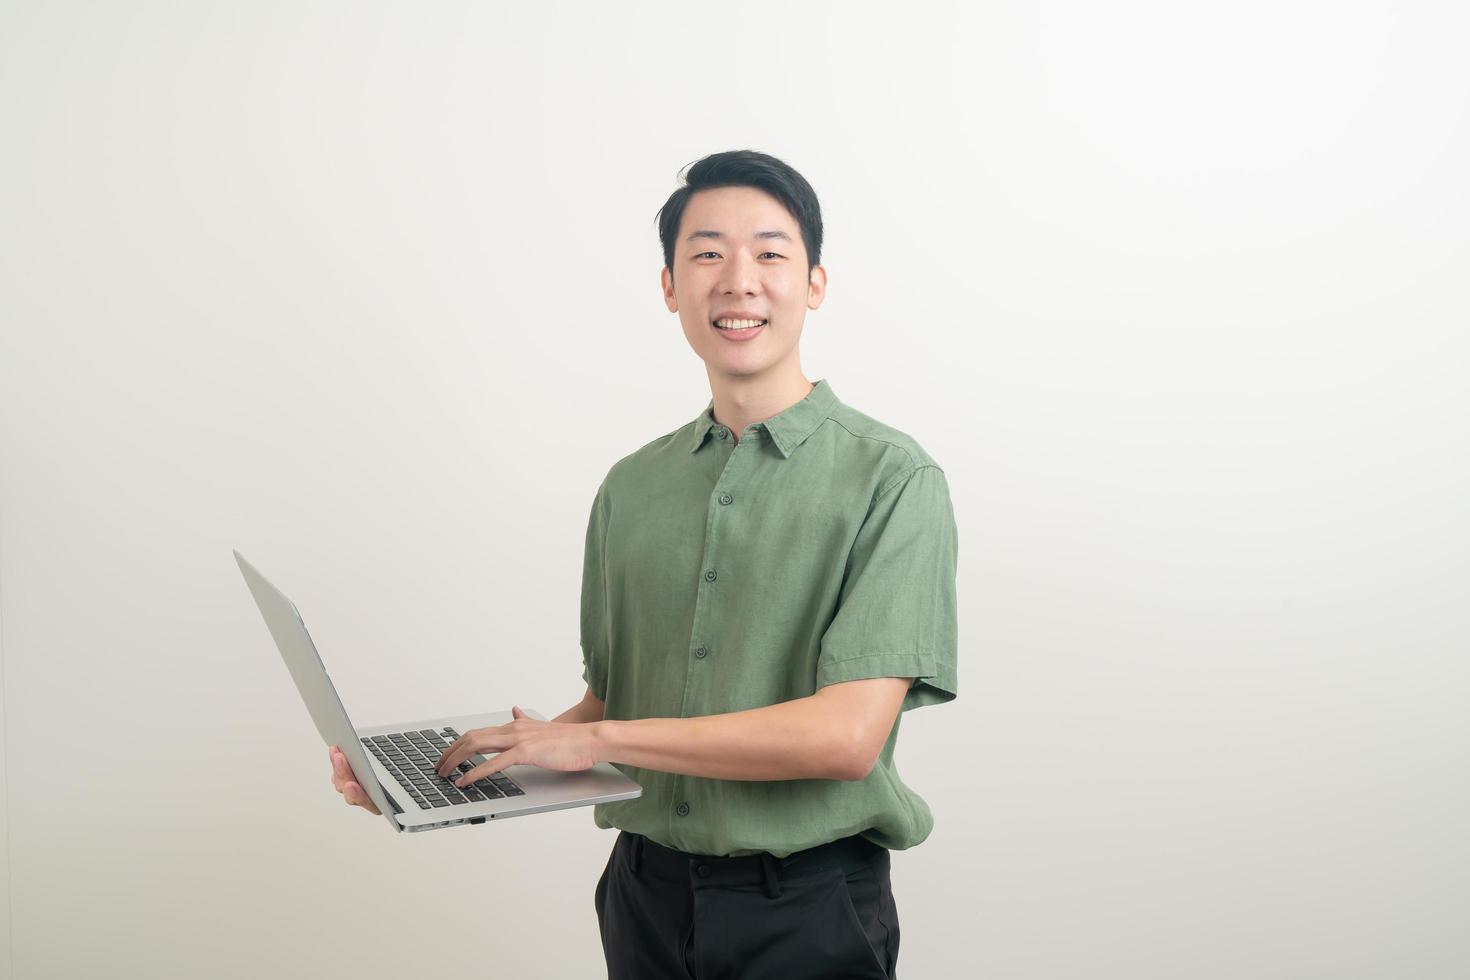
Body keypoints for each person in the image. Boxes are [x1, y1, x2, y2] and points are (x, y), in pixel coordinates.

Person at [329, 149, 959, 979]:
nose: (738, 280)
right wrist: (463, 775)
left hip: (806, 909)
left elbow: (845, 739)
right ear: (670, 287)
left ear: (815, 283)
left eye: (770, 253)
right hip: (643, 896)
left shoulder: (894, 479)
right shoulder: (633, 487)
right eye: (707, 254)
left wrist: (594, 736)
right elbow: (613, 706)